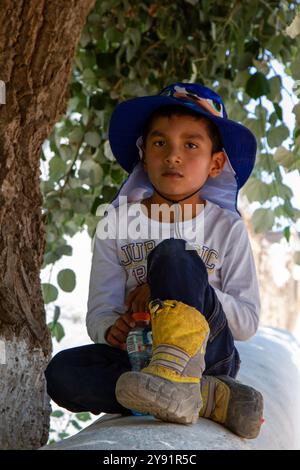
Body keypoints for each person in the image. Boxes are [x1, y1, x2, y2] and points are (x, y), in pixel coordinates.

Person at [45, 83, 264, 439]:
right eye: (160, 143)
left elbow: (247, 323)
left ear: (216, 163)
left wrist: (178, 286)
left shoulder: (227, 229)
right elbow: (101, 310)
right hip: (137, 356)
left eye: (191, 145)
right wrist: (109, 328)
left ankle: (181, 380)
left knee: (174, 253)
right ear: (143, 154)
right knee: (63, 373)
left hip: (209, 358)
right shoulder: (116, 223)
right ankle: (203, 398)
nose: (173, 156)